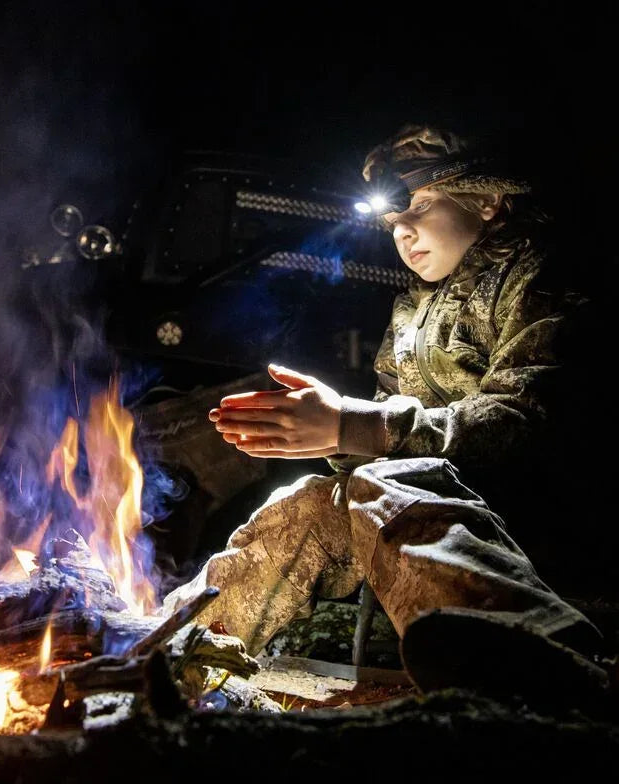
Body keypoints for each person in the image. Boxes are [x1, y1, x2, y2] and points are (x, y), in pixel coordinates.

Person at [160, 123, 615, 713]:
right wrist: (333, 433)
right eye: (393, 222)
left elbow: (527, 421)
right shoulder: (411, 312)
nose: (403, 231)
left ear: (488, 199)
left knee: (381, 485)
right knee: (309, 501)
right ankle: (168, 646)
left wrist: (358, 426)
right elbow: (389, 440)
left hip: (545, 512)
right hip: (435, 507)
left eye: (420, 207)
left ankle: (561, 669)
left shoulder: (542, 278)